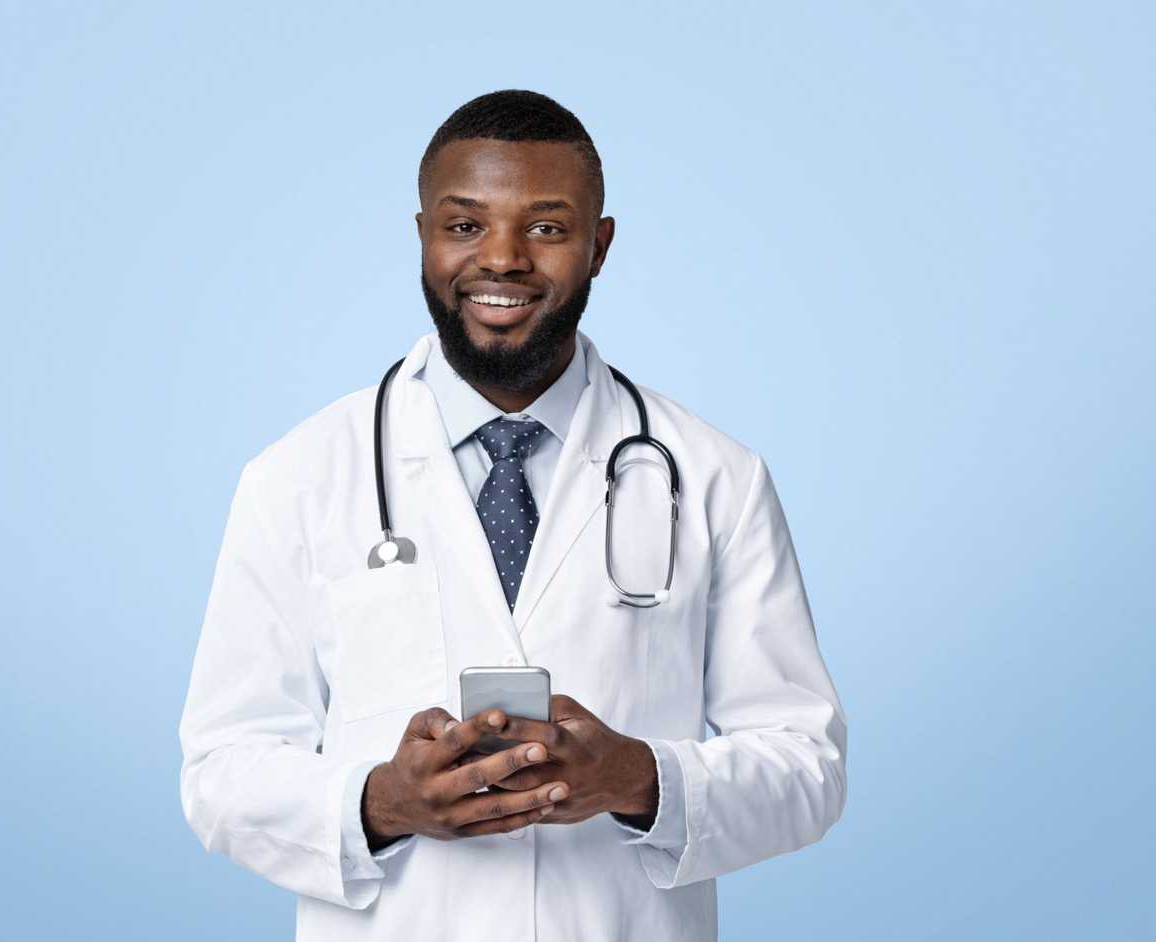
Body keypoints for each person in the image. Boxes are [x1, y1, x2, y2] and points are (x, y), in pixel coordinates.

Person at [178, 89, 847, 942]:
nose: (502, 258)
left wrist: (640, 780)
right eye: (464, 225)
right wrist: (381, 803)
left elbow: (807, 764)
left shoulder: (716, 477)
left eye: (546, 227)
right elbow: (222, 771)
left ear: (599, 246)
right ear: (422, 235)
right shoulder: (298, 477)